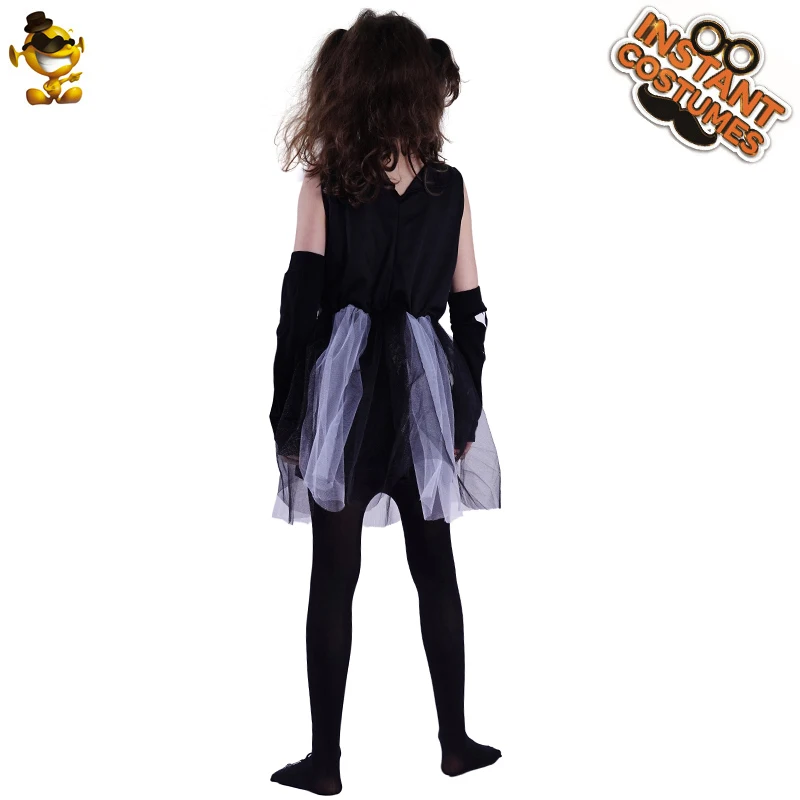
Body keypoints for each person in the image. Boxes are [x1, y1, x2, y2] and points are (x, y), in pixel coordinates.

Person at [269, 10, 502, 795]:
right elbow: (470, 311)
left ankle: (324, 761)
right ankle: (455, 741)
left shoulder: (328, 178)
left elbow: (300, 306)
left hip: (346, 396)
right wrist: (463, 411)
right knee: (435, 570)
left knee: (334, 577)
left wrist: (287, 414)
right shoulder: (449, 186)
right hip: (424, 395)